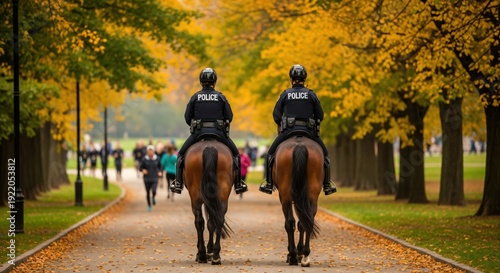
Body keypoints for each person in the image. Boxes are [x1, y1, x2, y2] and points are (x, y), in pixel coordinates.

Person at [259, 64, 337, 195]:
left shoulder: (285, 94)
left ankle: (268, 183)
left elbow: (276, 115)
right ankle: (327, 184)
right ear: (304, 79)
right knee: (326, 156)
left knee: (270, 155)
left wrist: (282, 123)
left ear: (291, 79)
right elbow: (320, 115)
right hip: (309, 132)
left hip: (288, 131)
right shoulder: (311, 94)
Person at [170, 67, 248, 194]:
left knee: (180, 155)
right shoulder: (221, 97)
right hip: (219, 133)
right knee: (236, 156)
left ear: (201, 82)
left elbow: (187, 118)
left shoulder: (195, 97)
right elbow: (229, 117)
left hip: (198, 133)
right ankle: (239, 183)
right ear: (215, 82)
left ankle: (178, 183)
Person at [139, 145, 162, 211]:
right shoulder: (144, 159)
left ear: (154, 151)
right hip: (147, 178)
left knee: (154, 190)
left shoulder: (157, 158)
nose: (150, 152)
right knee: (148, 192)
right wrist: (143, 170)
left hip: (155, 177)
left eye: (151, 151)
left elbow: (160, 166)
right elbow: (140, 167)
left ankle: (153, 197)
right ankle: (149, 205)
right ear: (147, 152)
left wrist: (160, 172)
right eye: (149, 151)